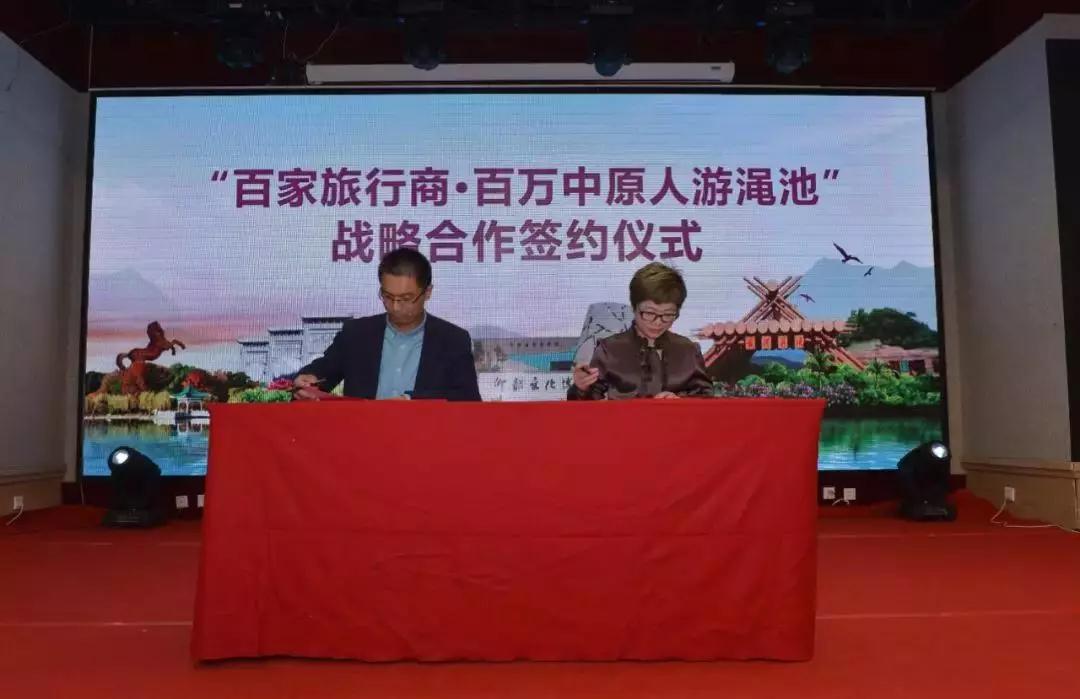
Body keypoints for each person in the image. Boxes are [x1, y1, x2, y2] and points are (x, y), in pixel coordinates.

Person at [293, 248, 481, 401]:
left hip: (426, 434)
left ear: (428, 292)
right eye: (388, 296)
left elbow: (467, 400)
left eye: (406, 298)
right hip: (361, 432)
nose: (395, 307)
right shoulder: (356, 334)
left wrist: (412, 401)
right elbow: (323, 371)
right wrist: (308, 379)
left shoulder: (453, 340)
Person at [568, 262, 712, 400]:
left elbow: (707, 397)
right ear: (634, 307)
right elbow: (588, 406)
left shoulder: (688, 350)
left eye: (668, 315)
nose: (658, 322)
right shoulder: (609, 349)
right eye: (649, 313)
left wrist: (680, 401)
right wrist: (581, 388)